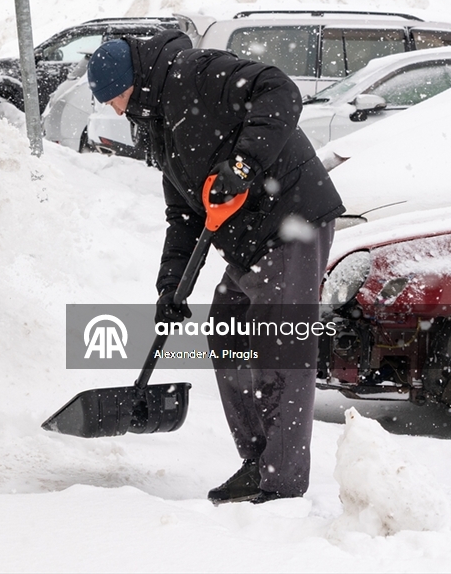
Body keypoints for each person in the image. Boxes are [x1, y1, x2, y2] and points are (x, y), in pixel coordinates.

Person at [87, 32, 344, 504]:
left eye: (115, 99)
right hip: (251, 239)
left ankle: (281, 482)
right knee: (227, 329)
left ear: (131, 83)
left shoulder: (195, 73)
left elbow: (280, 91)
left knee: (276, 346)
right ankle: (258, 460)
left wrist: (244, 166)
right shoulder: (158, 126)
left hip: (292, 216)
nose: (118, 112)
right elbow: (184, 214)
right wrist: (170, 286)